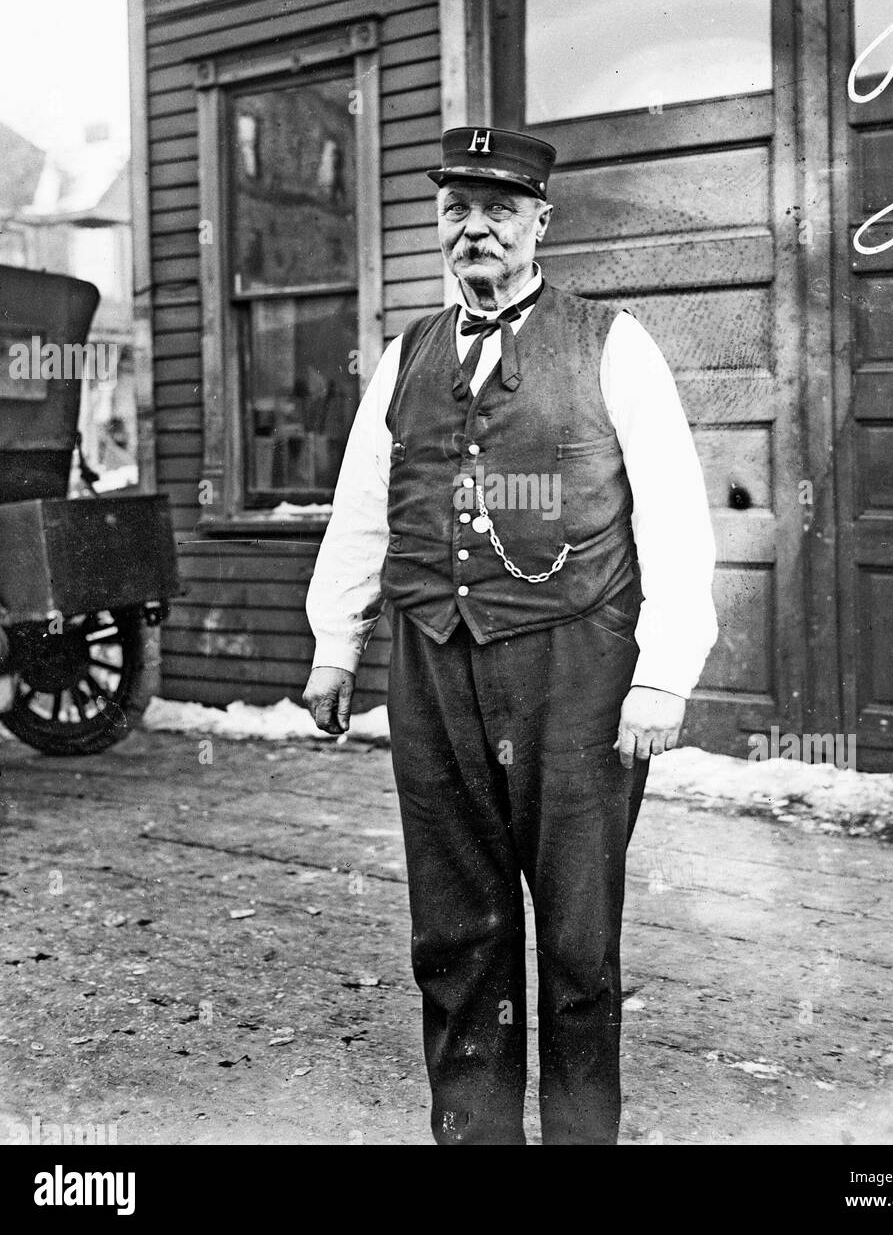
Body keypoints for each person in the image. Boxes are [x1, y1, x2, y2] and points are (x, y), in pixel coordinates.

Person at [304, 126, 717, 1145]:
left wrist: (661, 676)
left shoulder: (611, 342)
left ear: (541, 221)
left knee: (576, 941)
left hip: (573, 666)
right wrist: (334, 642)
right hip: (431, 660)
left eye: (498, 208)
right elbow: (364, 504)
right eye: (456, 208)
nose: (474, 227)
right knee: (454, 931)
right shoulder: (405, 356)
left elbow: (672, 513)